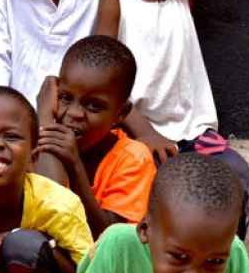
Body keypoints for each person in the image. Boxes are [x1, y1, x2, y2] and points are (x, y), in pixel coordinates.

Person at [93, 0, 249, 236]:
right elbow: (102, 79)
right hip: (134, 133)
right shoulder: (115, 0)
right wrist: (145, 131)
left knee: (233, 172)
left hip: (192, 134)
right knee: (145, 194)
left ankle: (222, 264)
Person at [0, 86, 92, 273]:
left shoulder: (60, 206)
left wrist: (41, 250)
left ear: (33, 157)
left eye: (11, 136)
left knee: (23, 246)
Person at [76, 153, 249, 273]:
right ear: (145, 229)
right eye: (179, 257)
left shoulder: (233, 252)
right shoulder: (118, 247)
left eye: (215, 261)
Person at [33, 36, 156, 238]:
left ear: (120, 114)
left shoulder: (133, 158)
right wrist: (44, 119)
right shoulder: (36, 142)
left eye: (93, 106)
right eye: (65, 98)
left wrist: (74, 166)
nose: (74, 113)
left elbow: (108, 240)